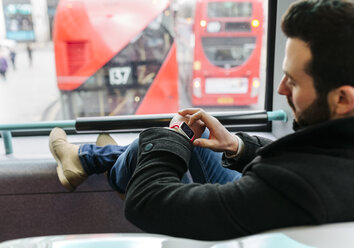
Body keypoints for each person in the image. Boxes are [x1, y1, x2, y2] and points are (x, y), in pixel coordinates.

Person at [49, 0, 354, 241]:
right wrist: (237, 146)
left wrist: (174, 135)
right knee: (191, 142)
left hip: (256, 220)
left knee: (157, 141)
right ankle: (89, 159)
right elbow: (311, 156)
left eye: (294, 82)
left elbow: (147, 203)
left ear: (342, 100)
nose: (280, 89)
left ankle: (95, 162)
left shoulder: (295, 190)